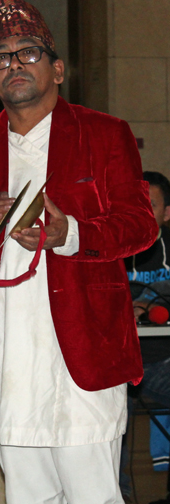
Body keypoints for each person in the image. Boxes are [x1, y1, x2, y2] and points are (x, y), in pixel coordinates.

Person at [0, 0, 158, 504]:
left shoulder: (105, 134)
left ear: (58, 70)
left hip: (85, 351)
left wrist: (72, 233)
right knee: (28, 495)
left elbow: (141, 226)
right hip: (9, 354)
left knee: (94, 494)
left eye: (28, 53)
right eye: (1, 58)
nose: (14, 64)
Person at [120, 171, 170, 503]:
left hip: (161, 362)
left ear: (167, 213)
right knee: (106, 425)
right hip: (118, 366)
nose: (141, 211)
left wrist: (148, 302)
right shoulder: (109, 246)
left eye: (149, 204)